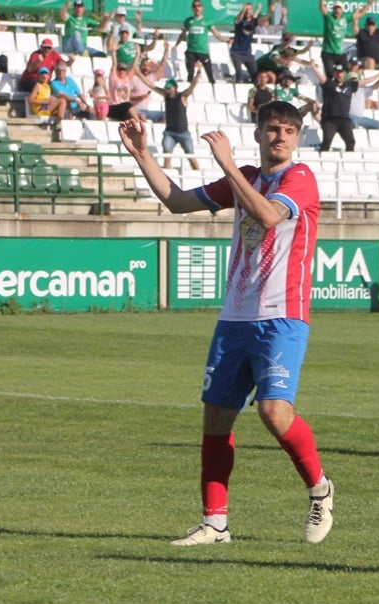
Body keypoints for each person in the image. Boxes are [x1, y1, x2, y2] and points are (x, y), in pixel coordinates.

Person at [118, 100, 335, 546]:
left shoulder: (300, 179)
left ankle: (320, 488)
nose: (280, 137)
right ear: (258, 133)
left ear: (297, 138)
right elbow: (177, 202)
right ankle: (215, 523)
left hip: (282, 314)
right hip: (235, 316)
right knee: (216, 419)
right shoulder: (247, 178)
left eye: (289, 131)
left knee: (274, 413)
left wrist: (228, 163)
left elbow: (269, 216)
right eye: (273, 129)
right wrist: (142, 154)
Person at [138, 69, 202, 170]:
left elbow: (192, 86)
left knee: (190, 156)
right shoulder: (166, 97)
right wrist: (137, 72)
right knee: (167, 155)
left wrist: (198, 73)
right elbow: (150, 85)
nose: (167, 90)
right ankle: (168, 174)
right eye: (166, 88)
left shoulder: (182, 97)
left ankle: (199, 175)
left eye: (169, 88)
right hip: (169, 132)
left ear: (175, 87)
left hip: (183, 133)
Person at [307, 60, 359, 151]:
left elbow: (363, 83)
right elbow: (321, 78)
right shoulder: (330, 84)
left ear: (344, 73)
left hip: (344, 119)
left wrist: (378, 76)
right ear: (334, 74)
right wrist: (313, 67)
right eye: (337, 72)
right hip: (330, 119)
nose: (339, 75)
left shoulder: (349, 86)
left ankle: (348, 161)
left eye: (341, 72)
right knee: (326, 142)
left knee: (350, 142)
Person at [212, 3, 265, 83]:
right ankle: (236, 89)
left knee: (255, 74)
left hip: (247, 53)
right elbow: (238, 19)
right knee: (239, 74)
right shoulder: (239, 21)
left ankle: (254, 91)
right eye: (246, 9)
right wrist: (243, 10)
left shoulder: (252, 22)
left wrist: (259, 10)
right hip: (236, 52)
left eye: (249, 9)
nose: (248, 11)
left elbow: (256, 19)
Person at [177, 1, 216, 86]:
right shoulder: (188, 21)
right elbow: (182, 34)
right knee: (190, 71)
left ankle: (213, 87)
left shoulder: (207, 21)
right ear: (192, 8)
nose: (197, 8)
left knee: (209, 72)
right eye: (194, 6)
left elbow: (216, 34)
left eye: (199, 6)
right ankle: (188, 89)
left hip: (203, 50)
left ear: (202, 8)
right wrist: (176, 45)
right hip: (191, 50)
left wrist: (226, 41)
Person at [318, 1, 351, 77]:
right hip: (328, 52)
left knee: (346, 73)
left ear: (342, 10)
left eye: (339, 8)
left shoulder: (345, 19)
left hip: (339, 53)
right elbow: (322, 9)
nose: (337, 11)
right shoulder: (329, 18)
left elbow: (359, 14)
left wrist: (369, 4)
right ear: (333, 10)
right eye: (336, 8)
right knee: (330, 74)